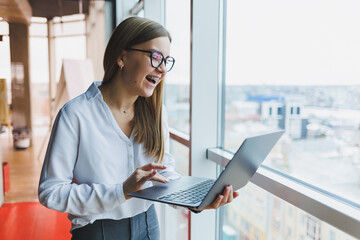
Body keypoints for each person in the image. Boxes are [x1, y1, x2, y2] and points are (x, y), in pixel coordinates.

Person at [38, 16, 239, 240]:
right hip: (97, 231)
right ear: (122, 56)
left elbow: (163, 172)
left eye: (167, 60)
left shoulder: (156, 112)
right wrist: (121, 191)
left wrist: (195, 200)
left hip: (148, 225)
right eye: (155, 57)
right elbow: (51, 192)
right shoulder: (75, 114)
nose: (162, 69)